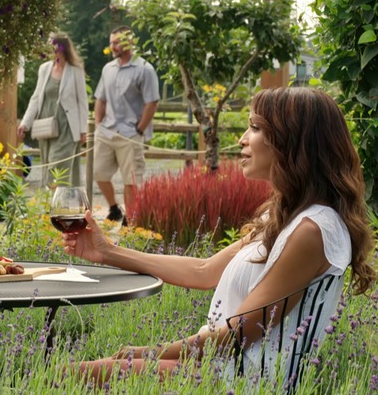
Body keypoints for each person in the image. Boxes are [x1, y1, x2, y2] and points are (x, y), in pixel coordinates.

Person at [62, 87, 376, 385]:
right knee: (80, 372)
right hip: (218, 366)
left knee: (71, 376)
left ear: (290, 140)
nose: (241, 139)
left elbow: (236, 337)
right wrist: (107, 252)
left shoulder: (313, 230)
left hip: (243, 380)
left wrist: (146, 352)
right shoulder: (285, 215)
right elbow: (204, 271)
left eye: (254, 128)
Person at [93, 25, 159, 223]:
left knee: (131, 179)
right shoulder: (108, 69)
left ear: (129, 42)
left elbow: (152, 102)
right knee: (98, 172)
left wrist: (139, 129)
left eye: (116, 42)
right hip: (107, 131)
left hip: (130, 133)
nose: (112, 46)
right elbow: (100, 99)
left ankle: (130, 219)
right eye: (111, 42)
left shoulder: (144, 69)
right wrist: (98, 125)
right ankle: (114, 208)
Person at [18, 33, 89, 187]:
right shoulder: (44, 69)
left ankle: (60, 204)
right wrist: (25, 123)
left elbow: (82, 102)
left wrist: (83, 130)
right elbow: (36, 97)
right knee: (48, 164)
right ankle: (51, 205)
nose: (50, 50)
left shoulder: (75, 71)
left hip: (67, 127)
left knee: (57, 166)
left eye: (52, 47)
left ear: (62, 48)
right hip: (46, 126)